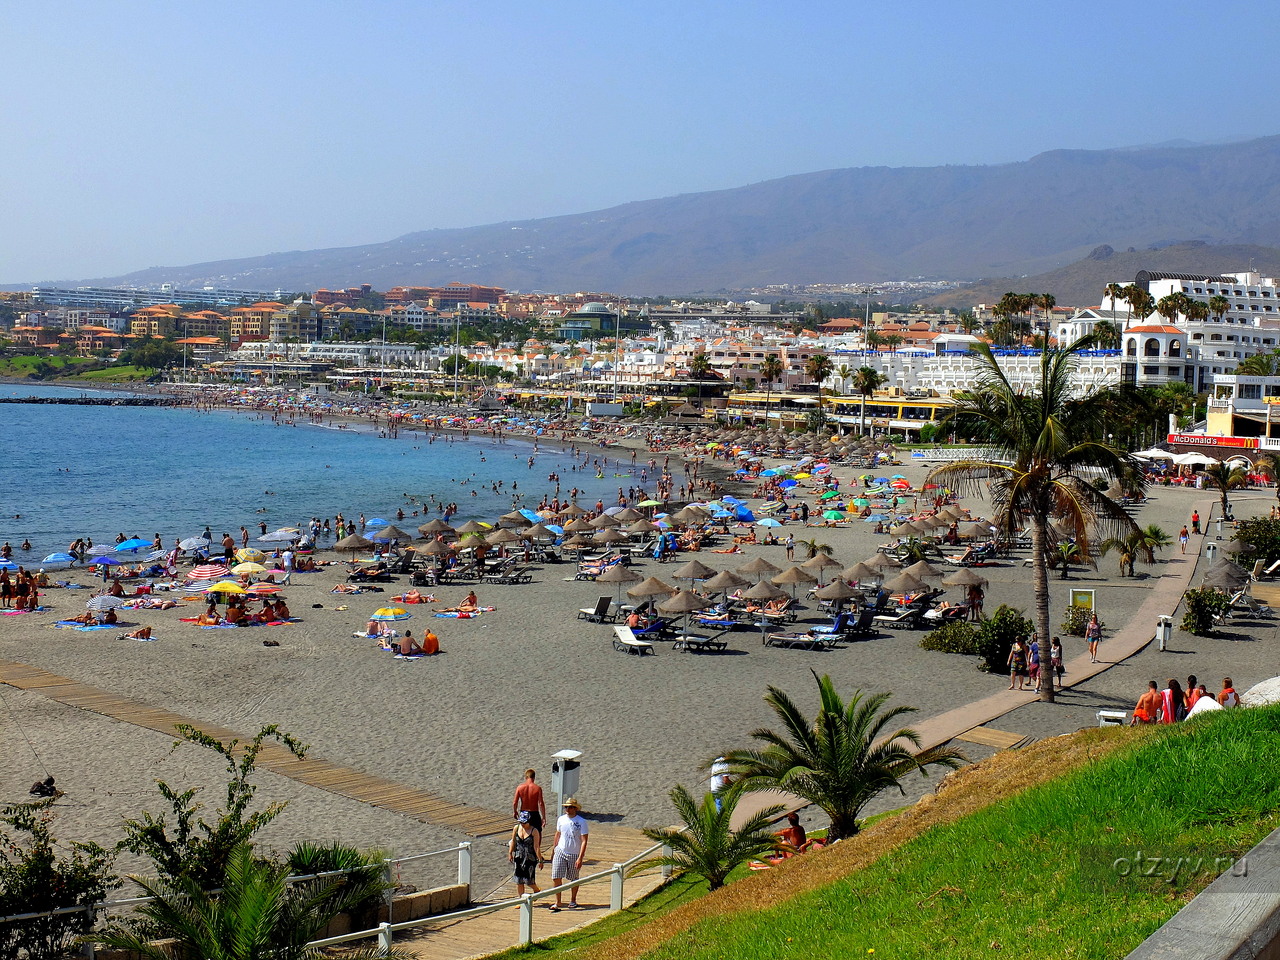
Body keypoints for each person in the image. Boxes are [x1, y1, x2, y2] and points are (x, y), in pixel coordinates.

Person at [551, 797, 589, 911]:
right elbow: (557, 834)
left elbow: (584, 840)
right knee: (556, 876)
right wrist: (554, 849)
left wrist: (580, 858)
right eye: (566, 807)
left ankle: (573, 900)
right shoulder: (561, 819)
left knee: (574, 878)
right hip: (560, 851)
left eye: (570, 807)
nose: (568, 809)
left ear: (575, 808)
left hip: (574, 853)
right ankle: (558, 901)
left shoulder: (581, 822)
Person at [509, 811, 542, 897]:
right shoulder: (516, 828)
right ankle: (521, 900)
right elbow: (513, 841)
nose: (522, 824)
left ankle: (536, 890)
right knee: (519, 880)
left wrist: (540, 860)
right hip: (518, 856)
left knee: (529, 880)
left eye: (524, 822)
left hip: (529, 858)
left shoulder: (534, 831)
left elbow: (536, 847)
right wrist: (510, 853)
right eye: (521, 822)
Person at [514, 768, 547, 836]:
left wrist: (515, 811)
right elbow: (541, 803)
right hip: (534, 813)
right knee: (537, 832)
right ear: (534, 777)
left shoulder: (520, 787)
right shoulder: (537, 788)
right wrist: (543, 817)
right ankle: (537, 846)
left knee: (523, 832)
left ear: (526, 777)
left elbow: (515, 802)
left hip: (524, 812)